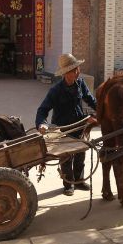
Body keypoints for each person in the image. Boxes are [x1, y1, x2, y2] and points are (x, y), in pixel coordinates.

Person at [35, 53, 97, 196]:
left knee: (81, 153)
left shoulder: (80, 83)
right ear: (65, 73)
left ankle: (79, 180)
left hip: (80, 124)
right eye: (74, 70)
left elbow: (90, 100)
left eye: (77, 68)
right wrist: (41, 124)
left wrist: (101, 112)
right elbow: (42, 110)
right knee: (66, 157)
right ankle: (68, 184)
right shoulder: (55, 91)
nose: (77, 71)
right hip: (63, 128)